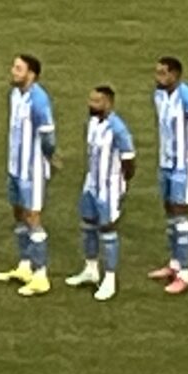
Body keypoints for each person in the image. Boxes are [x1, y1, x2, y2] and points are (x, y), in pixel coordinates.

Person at [66, 87, 135, 302]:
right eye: (91, 99)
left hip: (109, 186)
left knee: (107, 229)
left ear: (108, 103)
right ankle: (91, 268)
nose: (91, 104)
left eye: (97, 101)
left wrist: (122, 184)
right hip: (91, 183)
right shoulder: (93, 123)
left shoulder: (118, 129)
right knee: (87, 224)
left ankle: (110, 279)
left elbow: (129, 160)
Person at [0, 54, 56, 295]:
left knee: (32, 217)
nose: (13, 71)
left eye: (18, 68)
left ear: (31, 74)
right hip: (14, 167)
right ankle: (25, 265)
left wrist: (49, 158)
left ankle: (41, 275)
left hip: (32, 170)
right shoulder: (15, 95)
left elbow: (48, 135)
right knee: (19, 214)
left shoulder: (39, 100)